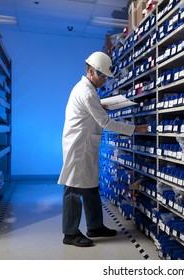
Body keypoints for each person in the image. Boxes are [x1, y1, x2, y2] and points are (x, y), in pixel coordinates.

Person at [58, 51, 149, 247]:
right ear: (91, 72)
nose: (104, 81)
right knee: (73, 189)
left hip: (85, 144)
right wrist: (134, 129)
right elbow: (105, 122)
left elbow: (92, 111)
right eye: (102, 76)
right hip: (78, 146)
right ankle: (70, 233)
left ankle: (95, 226)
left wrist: (100, 105)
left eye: (106, 77)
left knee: (90, 186)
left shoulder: (89, 91)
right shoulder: (86, 92)